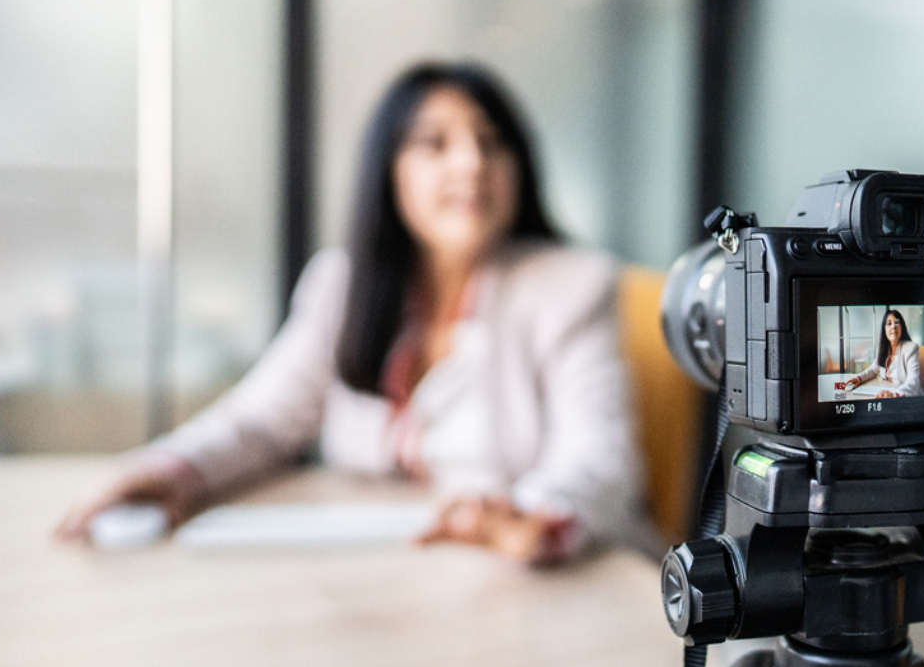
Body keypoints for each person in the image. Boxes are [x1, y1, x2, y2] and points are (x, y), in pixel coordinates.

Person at [56, 62, 643, 564]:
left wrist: (530, 516)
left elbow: (598, 461)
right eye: (435, 144)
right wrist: (171, 469)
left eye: (492, 142)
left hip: (537, 578)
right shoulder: (340, 286)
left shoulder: (572, 285)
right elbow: (261, 421)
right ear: (388, 171)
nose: (471, 163)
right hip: (394, 573)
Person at [843, 309, 922, 399]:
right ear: (884, 329)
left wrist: (895, 394)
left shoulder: (910, 348)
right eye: (889, 324)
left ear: (901, 327)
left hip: (905, 397)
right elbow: (873, 369)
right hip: (888, 394)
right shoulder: (884, 349)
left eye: (896, 323)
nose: (893, 327)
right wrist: (858, 378)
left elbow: (914, 380)